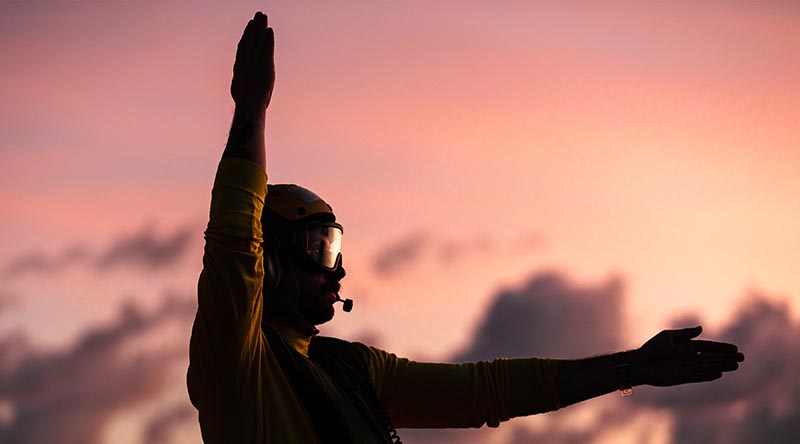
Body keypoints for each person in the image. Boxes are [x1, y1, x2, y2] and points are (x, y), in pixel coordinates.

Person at [187, 12, 745, 444]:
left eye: (337, 247)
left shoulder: (353, 369)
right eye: (320, 248)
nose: (339, 271)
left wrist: (632, 367)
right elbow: (234, 242)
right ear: (272, 262)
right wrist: (252, 108)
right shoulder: (237, 364)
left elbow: (485, 391)